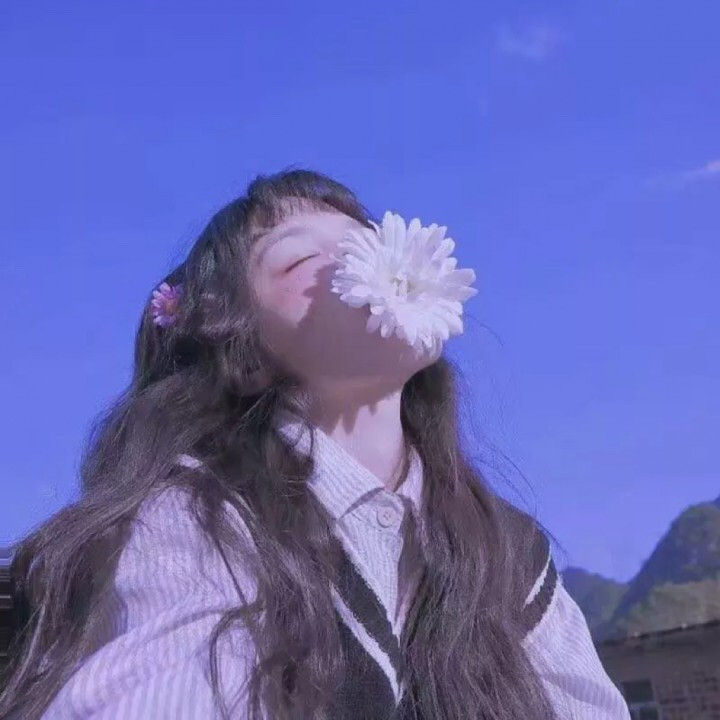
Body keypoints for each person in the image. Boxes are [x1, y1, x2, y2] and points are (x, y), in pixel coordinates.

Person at [0, 169, 630, 719]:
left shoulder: (509, 554)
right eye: (300, 259)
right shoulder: (200, 520)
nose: (361, 258)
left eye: (367, 238)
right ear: (245, 354)